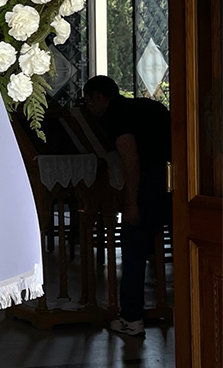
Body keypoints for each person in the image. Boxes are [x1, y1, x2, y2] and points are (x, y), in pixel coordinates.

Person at [83, 75, 171, 337]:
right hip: (179, 178)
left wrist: (131, 204)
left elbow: (131, 159)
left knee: (133, 248)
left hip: (151, 182)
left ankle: (131, 318)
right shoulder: (147, 106)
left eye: (89, 101)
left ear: (99, 97)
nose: (89, 107)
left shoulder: (116, 117)